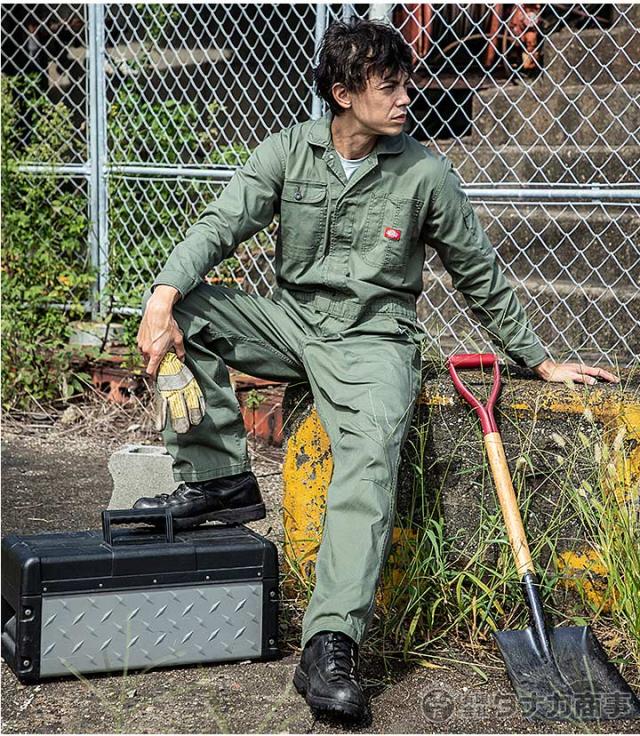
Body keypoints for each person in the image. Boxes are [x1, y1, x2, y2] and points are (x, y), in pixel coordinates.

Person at [134, 18, 618, 723]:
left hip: (374, 341)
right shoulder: (288, 153)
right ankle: (219, 479)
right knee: (188, 311)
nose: (405, 98)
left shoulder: (425, 173)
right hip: (293, 324)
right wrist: (161, 296)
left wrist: (536, 359)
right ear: (343, 94)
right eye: (388, 86)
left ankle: (329, 643)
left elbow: (477, 272)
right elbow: (219, 225)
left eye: (405, 83)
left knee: (367, 463)